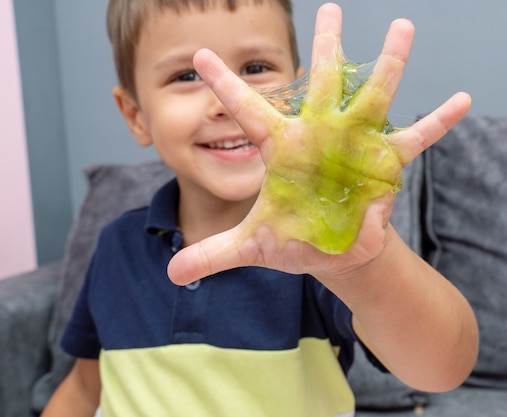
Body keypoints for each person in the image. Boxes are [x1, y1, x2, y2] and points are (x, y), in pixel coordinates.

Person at [43, 1, 479, 416]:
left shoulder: (321, 247)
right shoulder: (116, 245)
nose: (229, 101)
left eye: (255, 69)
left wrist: (362, 269)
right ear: (136, 115)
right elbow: (84, 388)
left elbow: (442, 369)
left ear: (305, 93)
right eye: (187, 76)